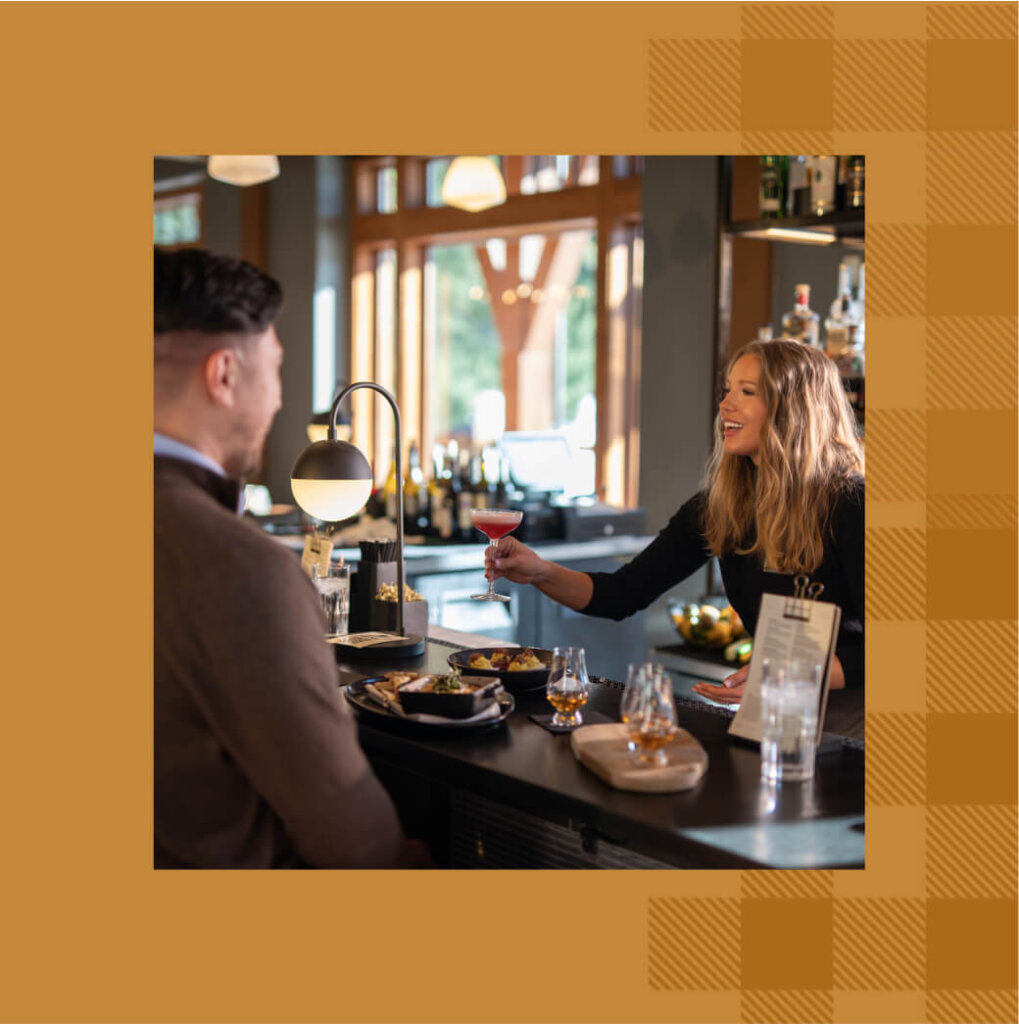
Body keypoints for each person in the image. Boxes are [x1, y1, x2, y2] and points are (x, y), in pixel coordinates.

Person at [154, 247, 421, 868]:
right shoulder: (240, 570)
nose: (277, 401)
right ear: (224, 375)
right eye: (275, 369)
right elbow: (349, 831)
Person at [485, 338, 864, 702]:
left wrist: (788, 674)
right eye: (728, 390)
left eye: (747, 392)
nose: (726, 404)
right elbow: (621, 594)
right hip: (777, 706)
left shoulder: (852, 505)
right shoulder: (721, 508)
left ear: (794, 409)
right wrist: (537, 571)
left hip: (856, 720)